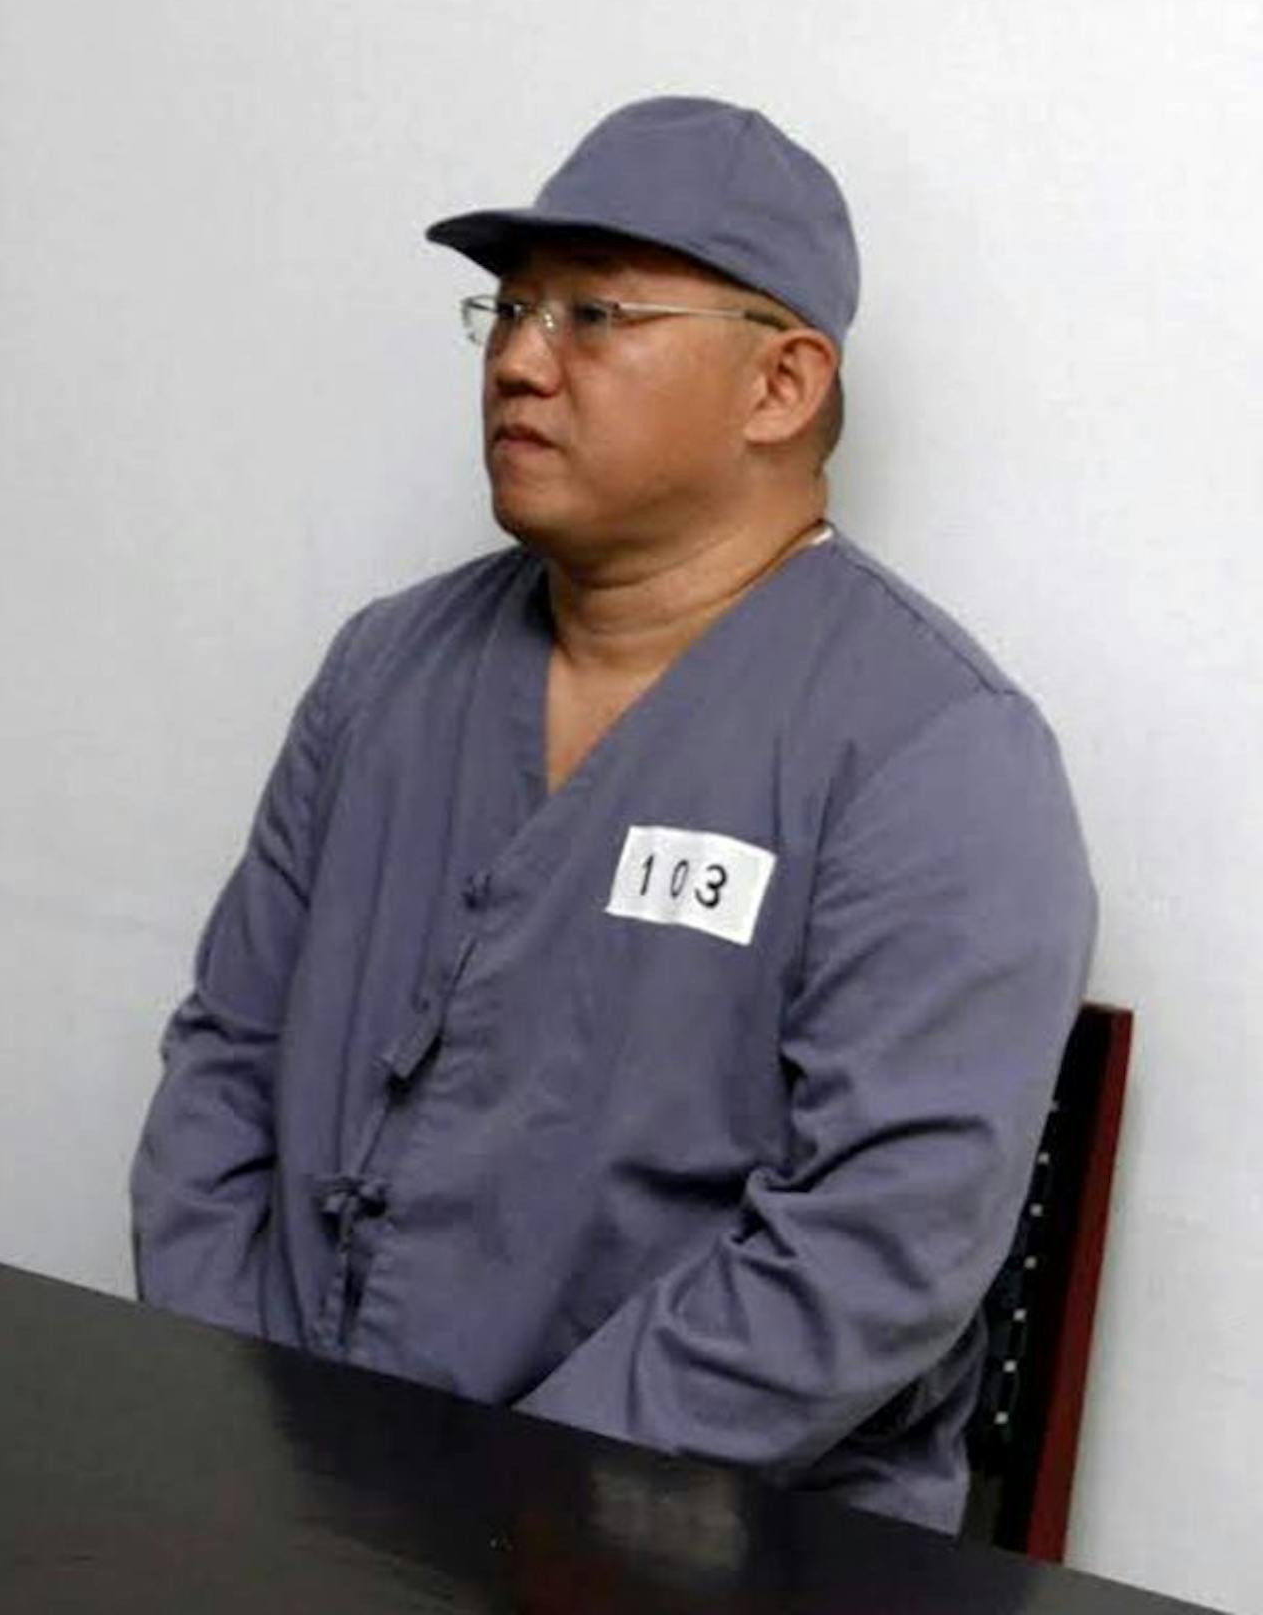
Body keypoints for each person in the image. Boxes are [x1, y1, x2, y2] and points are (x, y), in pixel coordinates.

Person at [128, 96, 1095, 1533]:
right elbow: (227, 1058)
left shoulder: (936, 753)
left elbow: (872, 1254)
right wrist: (251, 1410)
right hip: (306, 1488)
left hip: (698, 1542)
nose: (520, 358)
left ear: (781, 385)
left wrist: (495, 1514)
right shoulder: (386, 672)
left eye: (595, 315)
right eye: (509, 308)